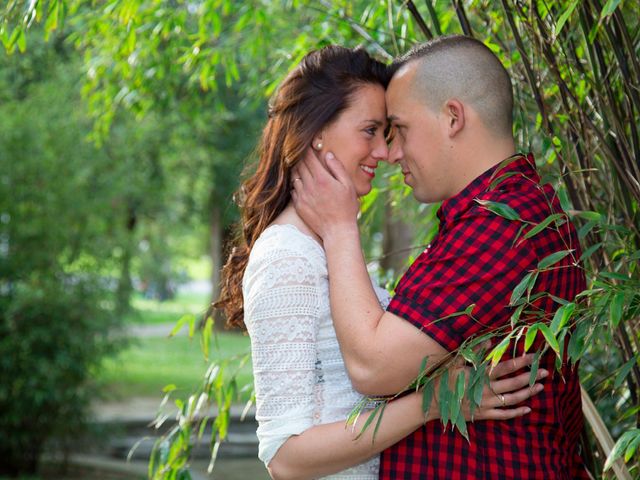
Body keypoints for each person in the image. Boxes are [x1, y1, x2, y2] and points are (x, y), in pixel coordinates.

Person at [215, 45, 547, 480]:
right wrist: (433, 403)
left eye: (389, 131)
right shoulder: (286, 256)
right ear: (315, 132)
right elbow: (285, 457)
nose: (386, 152)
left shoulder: (331, 248)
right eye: (371, 130)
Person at [292, 36, 589, 479]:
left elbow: (372, 368)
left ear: (453, 117)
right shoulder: (525, 211)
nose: (391, 153)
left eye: (400, 129)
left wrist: (339, 227)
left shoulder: (498, 228)